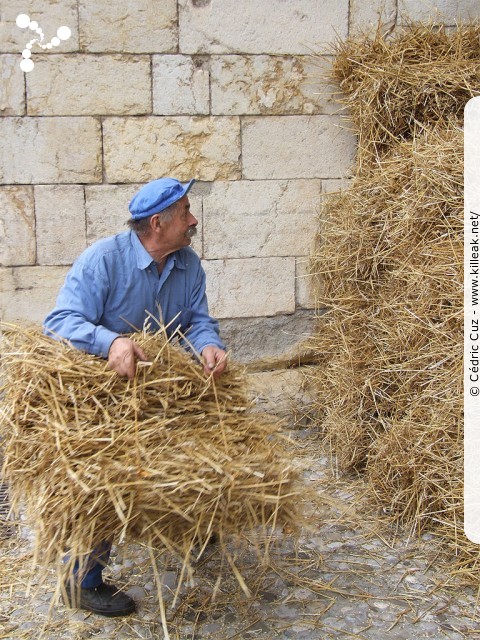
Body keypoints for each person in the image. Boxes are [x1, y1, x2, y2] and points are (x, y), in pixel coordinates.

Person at [43, 177, 227, 617]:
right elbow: (60, 320)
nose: (193, 220)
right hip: (104, 392)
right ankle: (80, 580)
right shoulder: (103, 260)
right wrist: (110, 342)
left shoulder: (188, 265)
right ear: (158, 222)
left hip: (161, 386)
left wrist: (207, 345)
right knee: (106, 479)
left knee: (202, 444)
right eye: (185, 213)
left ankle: (190, 527)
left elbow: (197, 320)